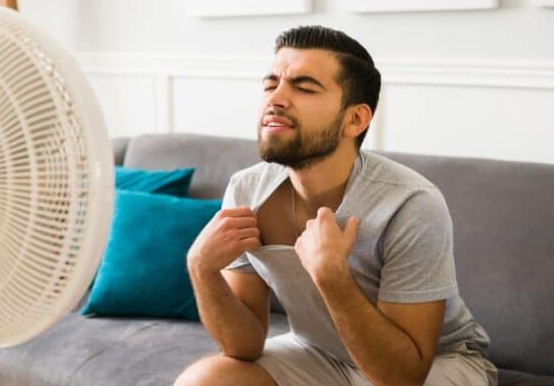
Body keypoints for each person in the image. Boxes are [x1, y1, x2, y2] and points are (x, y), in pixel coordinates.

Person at [176, 26, 497, 386]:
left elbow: (402, 376)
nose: (275, 99)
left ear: (354, 120)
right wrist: (201, 270)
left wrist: (332, 277)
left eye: (304, 87)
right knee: (204, 381)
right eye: (271, 85)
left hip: (434, 364)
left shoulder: (411, 203)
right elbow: (245, 347)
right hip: (319, 352)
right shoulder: (247, 190)